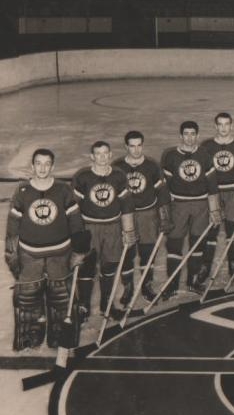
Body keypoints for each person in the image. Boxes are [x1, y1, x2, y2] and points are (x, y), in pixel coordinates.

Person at [5, 148, 88, 351]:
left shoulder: (63, 190)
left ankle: (59, 335)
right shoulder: (23, 191)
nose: (42, 168)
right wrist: (11, 252)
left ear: (52, 166)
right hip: (29, 254)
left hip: (60, 253)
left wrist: (79, 250)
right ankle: (32, 333)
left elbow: (76, 222)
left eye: (46, 163)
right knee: (27, 297)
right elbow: (13, 224)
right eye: (38, 163)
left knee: (60, 297)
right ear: (32, 166)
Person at [72, 141, 137, 319]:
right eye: (98, 154)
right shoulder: (83, 176)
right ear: (92, 156)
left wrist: (128, 229)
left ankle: (106, 305)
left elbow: (126, 204)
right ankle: (84, 306)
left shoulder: (118, 175)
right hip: (89, 227)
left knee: (110, 266)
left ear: (110, 155)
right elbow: (72, 207)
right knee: (87, 267)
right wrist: (76, 233)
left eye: (105, 153)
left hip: (112, 227)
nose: (102, 157)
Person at [160, 121, 221, 297]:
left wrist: (214, 209)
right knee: (174, 244)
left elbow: (212, 185)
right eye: (186, 134)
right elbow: (164, 188)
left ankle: (192, 281)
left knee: (198, 244)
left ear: (197, 135)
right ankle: (171, 285)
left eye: (193, 134)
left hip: (201, 205)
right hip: (178, 205)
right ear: (180, 136)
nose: (189, 137)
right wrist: (165, 213)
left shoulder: (204, 154)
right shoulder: (170, 155)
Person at [112, 131, 171, 304]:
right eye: (132, 146)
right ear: (126, 147)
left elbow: (162, 192)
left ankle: (147, 284)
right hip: (125, 217)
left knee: (148, 251)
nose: (136, 150)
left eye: (139, 145)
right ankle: (128, 287)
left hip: (147, 214)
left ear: (142, 145)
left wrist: (164, 216)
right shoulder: (117, 166)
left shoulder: (152, 165)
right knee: (127, 252)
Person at [201, 112, 234, 278]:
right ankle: (206, 265)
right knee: (211, 230)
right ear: (215, 126)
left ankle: (233, 263)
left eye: (227, 124)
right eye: (220, 124)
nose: (223, 128)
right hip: (214, 194)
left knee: (233, 230)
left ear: (231, 126)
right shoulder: (207, 146)